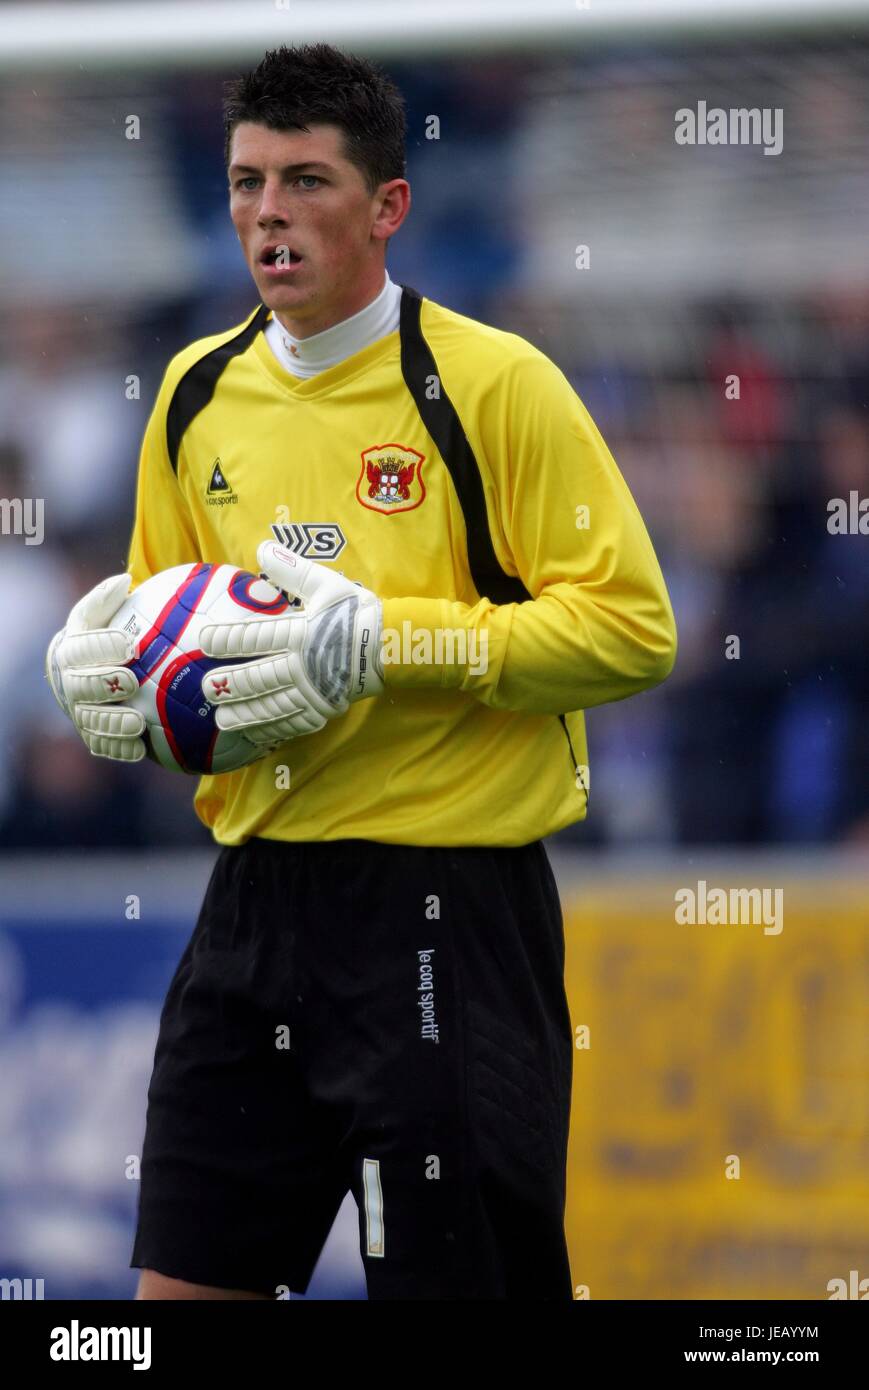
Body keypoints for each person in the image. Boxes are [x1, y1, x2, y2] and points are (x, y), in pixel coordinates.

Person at [45, 43, 677, 1301]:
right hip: (253, 910)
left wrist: (391, 644)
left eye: (305, 181)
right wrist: (107, 688)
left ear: (387, 206)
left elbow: (631, 630)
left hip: (445, 912)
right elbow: (175, 651)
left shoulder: (490, 384)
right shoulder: (191, 394)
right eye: (244, 183)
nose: (268, 215)